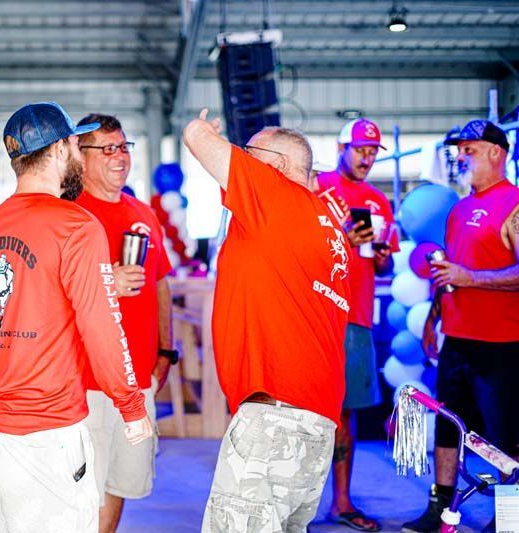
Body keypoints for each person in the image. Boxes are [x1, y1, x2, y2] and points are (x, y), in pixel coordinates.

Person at [0, 102, 154, 533]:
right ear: (59, 149)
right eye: (73, 142)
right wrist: (130, 405)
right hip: (45, 428)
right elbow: (102, 328)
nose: (76, 152)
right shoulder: (76, 225)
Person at [183, 110, 351, 532]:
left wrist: (204, 130)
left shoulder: (274, 195)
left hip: (275, 417)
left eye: (248, 153)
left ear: (275, 166)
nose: (240, 159)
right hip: (314, 421)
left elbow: (196, 139)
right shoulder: (324, 221)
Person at [403, 120, 519, 533]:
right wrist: (435, 316)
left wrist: (472, 278)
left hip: (503, 343)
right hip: (458, 338)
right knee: (448, 427)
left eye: (469, 150)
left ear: (496, 152)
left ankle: (508, 519)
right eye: (458, 151)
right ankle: (439, 507)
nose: (460, 157)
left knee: (505, 435)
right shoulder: (458, 209)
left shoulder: (515, 202)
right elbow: (451, 271)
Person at [74, 112, 174, 533]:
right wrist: (105, 281)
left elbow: (161, 283)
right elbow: (45, 296)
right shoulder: (69, 215)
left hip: (137, 381)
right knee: (83, 487)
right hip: (87, 380)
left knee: (121, 480)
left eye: (123, 147)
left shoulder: (143, 213)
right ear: (80, 157)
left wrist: (167, 351)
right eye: (107, 149)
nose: (119, 157)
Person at [315, 118, 400, 532]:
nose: (367, 158)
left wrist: (380, 254)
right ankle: (295, 500)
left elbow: (384, 263)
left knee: (344, 414)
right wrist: (341, 239)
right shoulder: (316, 188)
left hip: (357, 317)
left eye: (373, 152)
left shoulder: (378, 201)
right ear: (341, 147)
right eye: (360, 149)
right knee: (302, 410)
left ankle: (341, 502)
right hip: (314, 313)